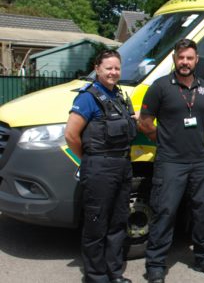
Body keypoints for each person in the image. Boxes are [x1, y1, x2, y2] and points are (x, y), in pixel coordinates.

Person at [139, 39, 204, 282]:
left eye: (190, 58)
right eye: (181, 57)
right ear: (175, 59)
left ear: (197, 60)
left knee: (201, 212)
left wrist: (193, 139)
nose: (185, 62)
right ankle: (155, 265)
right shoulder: (160, 86)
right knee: (165, 211)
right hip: (170, 161)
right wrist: (165, 139)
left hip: (200, 161)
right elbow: (145, 122)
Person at [65, 49, 137, 283]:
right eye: (109, 68)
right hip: (99, 166)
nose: (114, 72)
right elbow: (71, 135)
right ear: (97, 69)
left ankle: (114, 273)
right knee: (96, 224)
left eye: (117, 68)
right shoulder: (87, 97)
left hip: (122, 165)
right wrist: (88, 158)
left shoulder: (120, 96)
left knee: (118, 223)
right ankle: (95, 276)